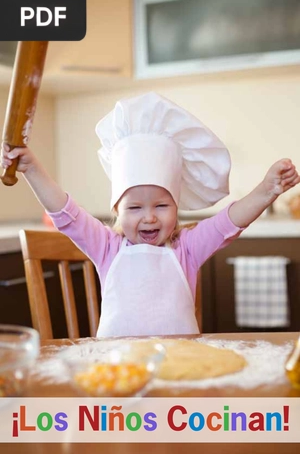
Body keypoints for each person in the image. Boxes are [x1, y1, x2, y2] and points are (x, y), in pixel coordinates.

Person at [1, 92, 299, 337]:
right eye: (134, 207)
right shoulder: (106, 248)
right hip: (115, 371)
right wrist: (32, 169)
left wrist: (267, 190)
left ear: (176, 208)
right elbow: (65, 213)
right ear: (117, 211)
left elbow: (230, 221)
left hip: (179, 370)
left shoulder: (188, 249)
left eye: (161, 205)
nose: (149, 217)